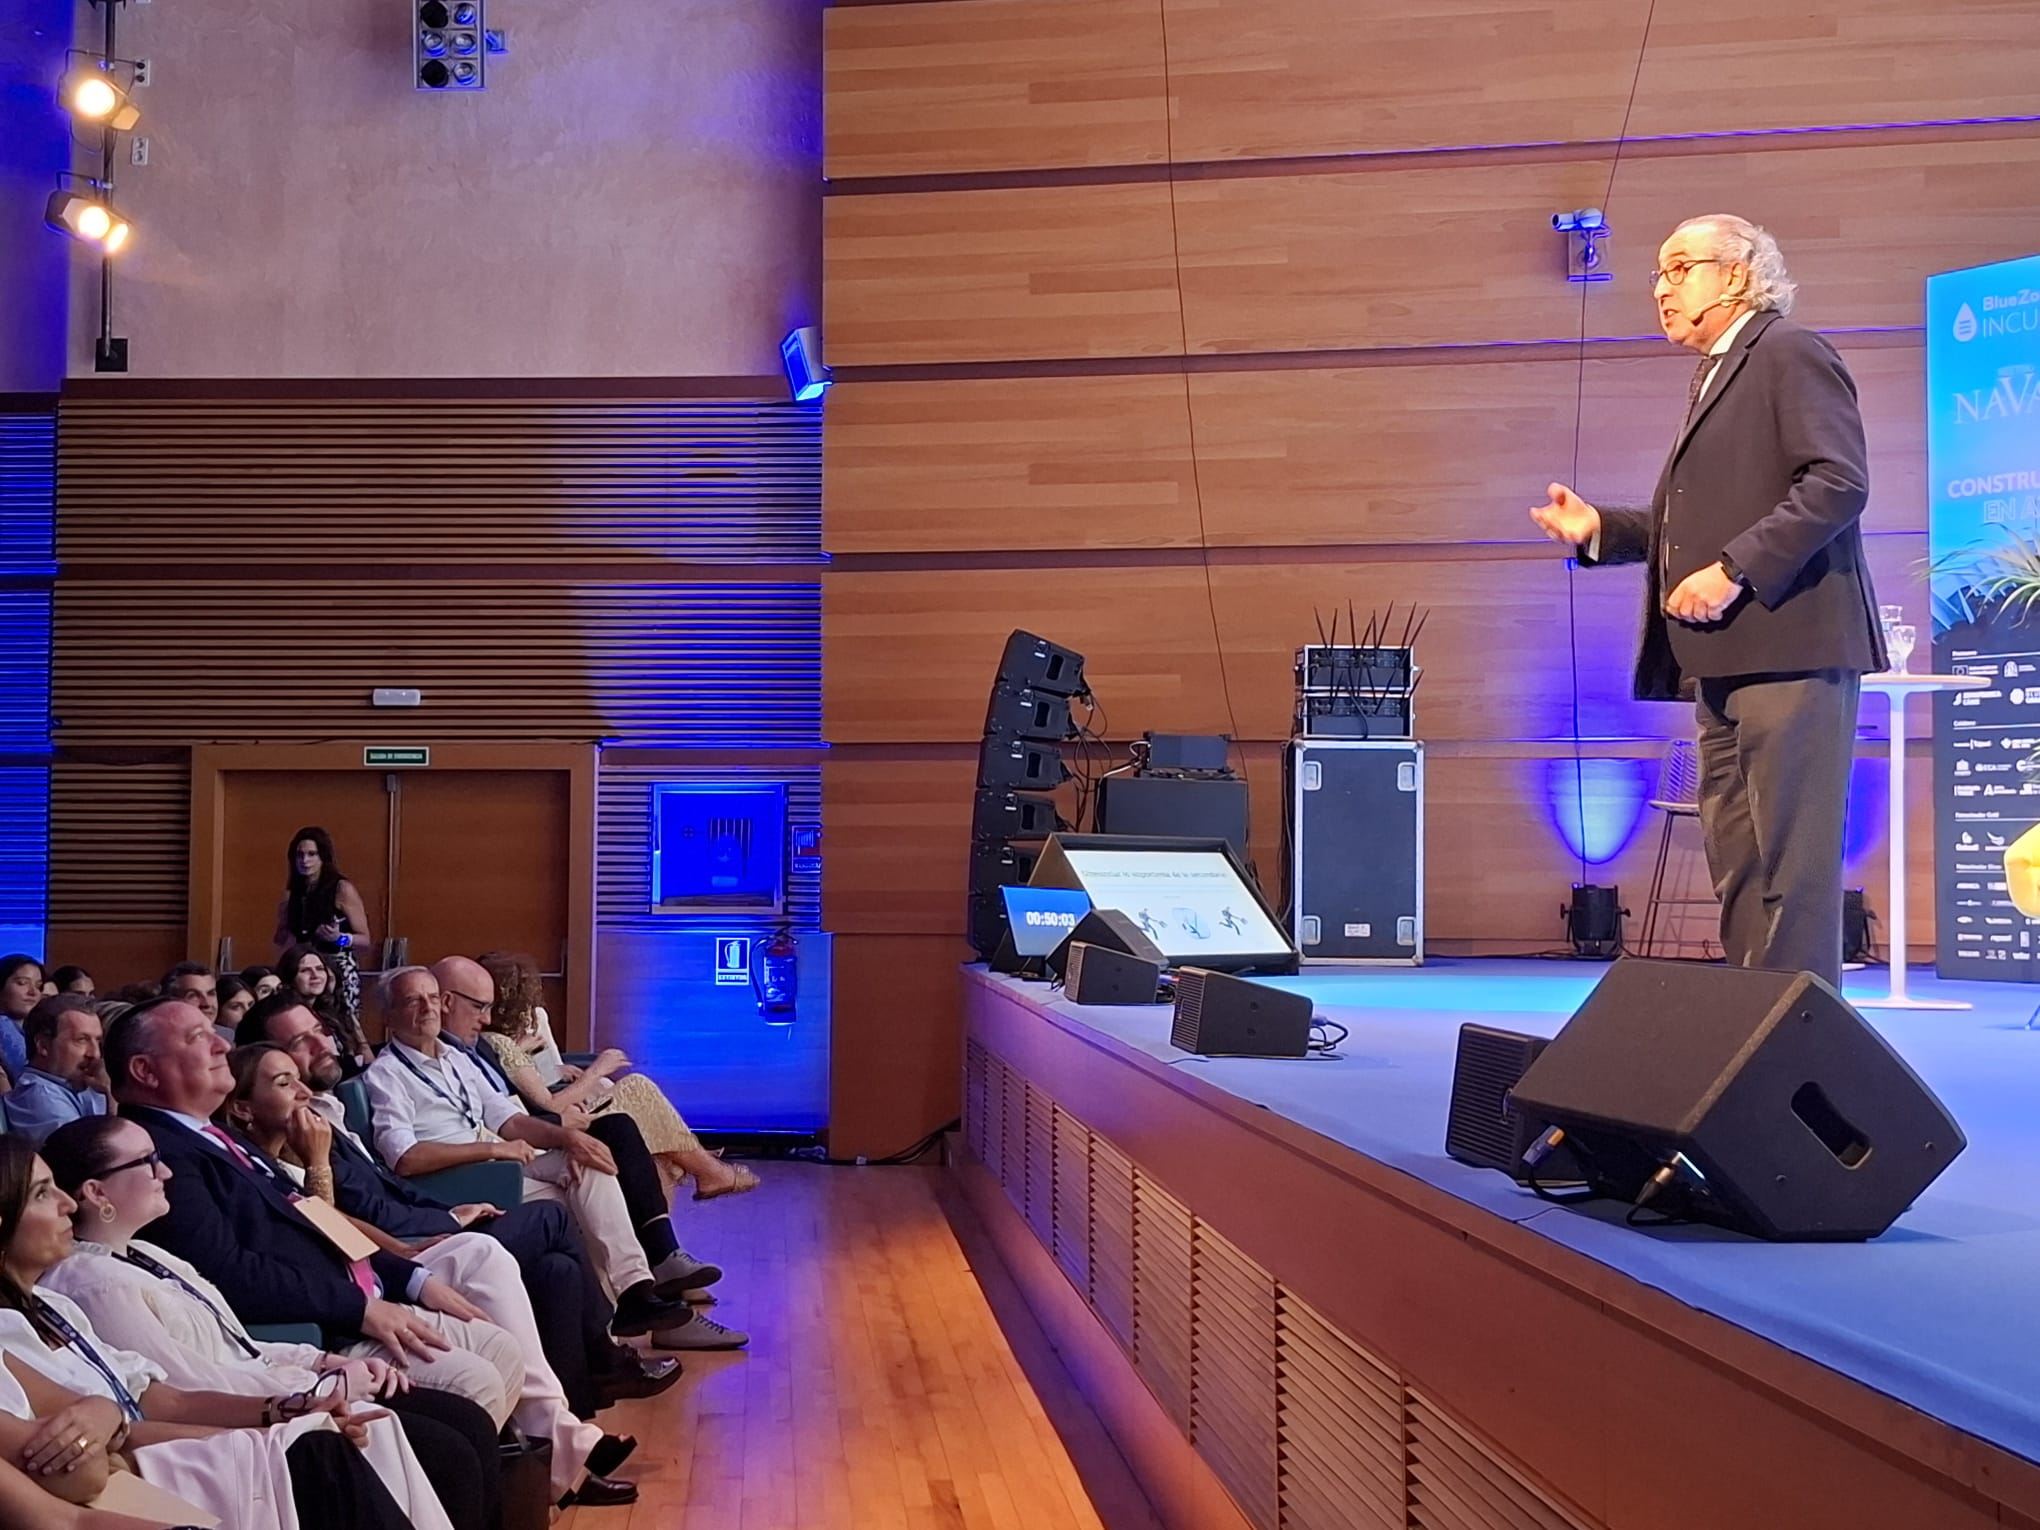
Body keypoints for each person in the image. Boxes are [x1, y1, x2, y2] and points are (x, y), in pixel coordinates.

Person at [1530, 213, 1883, 987]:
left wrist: (1734, 570)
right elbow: (1693, 521)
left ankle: (1797, 1046)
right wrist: (1602, 530)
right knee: (1740, 864)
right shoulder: (1719, 372)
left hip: (1790, 648)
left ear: (1736, 272)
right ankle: (1747, 1030)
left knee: (1792, 868)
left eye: (1679, 268)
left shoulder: (1787, 351)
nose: (1661, 288)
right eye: (1659, 273)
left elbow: (1837, 483)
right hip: (1725, 664)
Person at [218, 1044, 640, 1507]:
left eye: (298, 1077)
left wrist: (440, 1219)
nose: (303, 1090)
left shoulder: (312, 1132)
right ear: (241, 1108)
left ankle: (561, 1433)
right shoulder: (259, 1161)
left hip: (399, 1248)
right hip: (365, 1282)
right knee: (515, 1237)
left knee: (553, 1266)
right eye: (284, 1083)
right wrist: (406, 1239)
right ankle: (591, 1380)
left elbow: (379, 1196)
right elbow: (327, 1228)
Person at [235, 993, 681, 1420]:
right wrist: (424, 1230)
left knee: (559, 1264)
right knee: (551, 1217)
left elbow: (384, 1190)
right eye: (297, 1047)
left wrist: (453, 1211)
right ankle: (614, 1339)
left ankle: (576, 1413)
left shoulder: (327, 1107)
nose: (319, 1046)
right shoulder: (295, 1134)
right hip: (402, 1252)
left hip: (426, 1221)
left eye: (319, 1031)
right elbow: (342, 1212)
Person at [100, 999, 528, 1430]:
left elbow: (313, 1216)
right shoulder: (153, 1151)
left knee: (501, 1348)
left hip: (359, 1298)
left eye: (214, 1031)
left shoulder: (215, 1134)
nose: (220, 1045)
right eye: (197, 1038)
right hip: (314, 1327)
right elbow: (223, 1271)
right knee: (474, 1381)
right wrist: (359, 1308)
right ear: (145, 1071)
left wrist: (409, 1277)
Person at [0, 1135, 435, 1530]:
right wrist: (285, 1418)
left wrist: (288, 1409)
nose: (68, 1204)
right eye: (42, 1193)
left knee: (353, 1431)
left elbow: (158, 1400)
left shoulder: (59, 1304)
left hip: (161, 1449)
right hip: (138, 1480)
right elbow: (98, 1459)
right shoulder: (90, 1284)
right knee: (329, 1453)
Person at [362, 969, 739, 1350]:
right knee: (590, 1201)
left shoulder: (456, 1060)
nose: (428, 1008)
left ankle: (637, 1292)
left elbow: (510, 1120)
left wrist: (568, 1138)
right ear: (389, 1016)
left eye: (431, 997)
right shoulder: (386, 1074)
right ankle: (632, 1309)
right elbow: (405, 1159)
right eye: (413, 1000)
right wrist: (494, 1150)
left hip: (500, 1168)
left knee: (591, 1163)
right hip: (458, 1182)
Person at [476, 951, 759, 1201]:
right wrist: (598, 1068)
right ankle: (704, 1167)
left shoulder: (498, 1041)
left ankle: (694, 1163)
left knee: (652, 1136)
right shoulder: (500, 1044)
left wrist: (545, 1063)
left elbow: (527, 1084)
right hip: (557, 1126)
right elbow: (549, 1106)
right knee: (637, 1088)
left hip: (555, 1118)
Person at [275, 829, 372, 1048]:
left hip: (337, 967)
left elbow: (365, 940)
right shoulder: (293, 894)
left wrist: (339, 938)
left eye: (311, 854)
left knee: (344, 1027)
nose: (305, 860)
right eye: (300, 855)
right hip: (304, 967)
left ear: (323, 858)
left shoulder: (341, 888)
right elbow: (283, 938)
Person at [5, 999, 110, 1146]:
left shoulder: (84, 1081)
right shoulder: (37, 1096)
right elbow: (95, 1159)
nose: (95, 1054)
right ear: (43, 1046)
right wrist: (111, 1095)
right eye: (81, 1040)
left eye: (97, 1042)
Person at [276, 945, 368, 1076]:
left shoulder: (330, 1013)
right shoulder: (285, 1016)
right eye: (305, 971)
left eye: (320, 969)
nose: (315, 975)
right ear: (290, 976)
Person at [0, 957, 46, 1089]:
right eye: (22, 983)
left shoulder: (30, 1029)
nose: (33, 992)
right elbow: (28, 1080)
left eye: (39, 986)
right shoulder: (3, 1025)